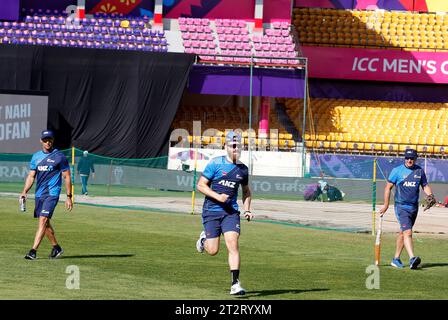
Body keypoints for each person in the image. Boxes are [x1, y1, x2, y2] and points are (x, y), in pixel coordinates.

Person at [195, 131, 254, 296]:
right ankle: (204, 239)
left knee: (233, 244)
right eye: (233, 146)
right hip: (211, 212)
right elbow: (200, 185)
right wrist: (218, 197)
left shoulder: (243, 170)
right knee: (213, 250)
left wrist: (247, 209)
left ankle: (235, 284)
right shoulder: (215, 164)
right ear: (226, 146)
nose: (236, 149)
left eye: (239, 146)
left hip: (230, 213)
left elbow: (247, 191)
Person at [21, 130, 73, 260]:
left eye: (49, 139)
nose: (47, 142)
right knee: (46, 223)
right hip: (39, 194)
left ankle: (33, 251)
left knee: (43, 220)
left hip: (52, 194)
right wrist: (24, 191)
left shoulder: (59, 156)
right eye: (45, 140)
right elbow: (31, 176)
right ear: (41, 141)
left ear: (53, 140)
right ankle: (57, 248)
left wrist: (69, 197)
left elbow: (67, 176)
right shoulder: (36, 157)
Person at [379, 149, 434, 270]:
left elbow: (425, 185)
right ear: (404, 158)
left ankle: (396, 259)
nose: (409, 160)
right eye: (407, 158)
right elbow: (388, 188)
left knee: (403, 233)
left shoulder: (419, 171)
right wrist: (386, 205)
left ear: (415, 159)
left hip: (414, 207)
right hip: (401, 206)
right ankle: (412, 258)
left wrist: (430, 196)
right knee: (408, 232)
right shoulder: (397, 171)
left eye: (412, 158)